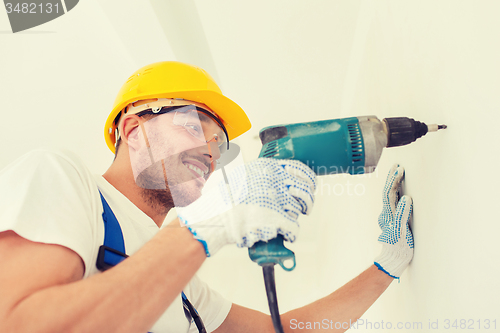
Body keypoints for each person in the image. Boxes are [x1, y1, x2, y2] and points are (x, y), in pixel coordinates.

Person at [0, 61, 414, 333]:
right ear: (133, 130)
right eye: (194, 128)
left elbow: (283, 330)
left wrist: (386, 265)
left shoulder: (182, 288)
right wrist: (201, 229)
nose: (212, 154)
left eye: (221, 144)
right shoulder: (61, 177)